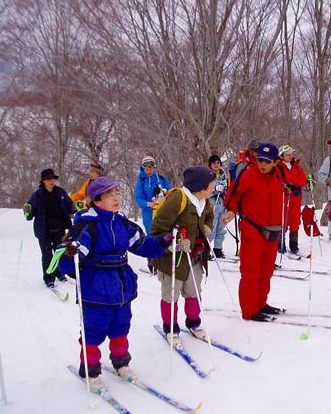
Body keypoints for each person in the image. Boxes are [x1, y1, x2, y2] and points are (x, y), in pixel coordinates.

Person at [58, 177, 170, 392]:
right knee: (94, 330)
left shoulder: (121, 223)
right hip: (96, 290)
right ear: (97, 200)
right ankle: (90, 370)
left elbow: (141, 244)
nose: (117, 198)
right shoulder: (86, 225)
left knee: (121, 327)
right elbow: (65, 262)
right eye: (110, 195)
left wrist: (162, 241)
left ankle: (121, 363)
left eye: (117, 193)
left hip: (122, 287)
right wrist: (68, 253)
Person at [150, 167, 215, 343]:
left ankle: (193, 322)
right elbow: (156, 230)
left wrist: (207, 227)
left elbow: (209, 215)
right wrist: (176, 242)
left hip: (194, 256)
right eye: (211, 184)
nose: (213, 187)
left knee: (194, 292)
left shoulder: (203, 201)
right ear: (201, 187)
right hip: (173, 259)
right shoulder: (177, 199)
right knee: (171, 294)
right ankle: (170, 327)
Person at [223, 143, 284, 321]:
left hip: (272, 230)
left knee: (266, 271)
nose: (262, 164)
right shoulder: (248, 174)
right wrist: (230, 210)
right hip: (252, 229)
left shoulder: (279, 174)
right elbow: (233, 195)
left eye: (267, 161)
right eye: (260, 160)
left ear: (275, 162)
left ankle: (261, 303)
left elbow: (299, 181)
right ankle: (249, 311)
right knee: (251, 271)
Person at [24, 168, 75, 288]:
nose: (51, 181)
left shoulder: (61, 192)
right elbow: (29, 214)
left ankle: (59, 273)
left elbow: (70, 207)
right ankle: (48, 277)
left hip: (60, 228)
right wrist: (27, 211)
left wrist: (78, 207)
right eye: (48, 179)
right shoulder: (37, 195)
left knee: (59, 253)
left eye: (52, 178)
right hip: (44, 229)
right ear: (43, 181)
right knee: (47, 254)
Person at [276, 144, 307, 255]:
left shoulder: (296, 166)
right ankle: (280, 243)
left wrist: (297, 186)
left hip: (295, 198)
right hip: (284, 198)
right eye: (287, 154)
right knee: (282, 221)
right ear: (281, 156)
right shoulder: (278, 167)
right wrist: (285, 186)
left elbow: (303, 179)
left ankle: (294, 244)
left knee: (294, 221)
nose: (290, 156)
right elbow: (277, 181)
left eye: (290, 154)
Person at [134, 156, 172, 235]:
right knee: (152, 235)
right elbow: (138, 198)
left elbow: (171, 191)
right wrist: (148, 204)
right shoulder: (141, 181)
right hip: (148, 213)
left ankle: (167, 247)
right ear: (143, 168)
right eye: (147, 169)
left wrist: (164, 193)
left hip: (163, 211)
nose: (149, 171)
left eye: (151, 168)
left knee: (166, 235)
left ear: (154, 167)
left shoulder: (162, 178)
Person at [208, 155, 228, 258]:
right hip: (212, 205)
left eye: (218, 163)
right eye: (214, 163)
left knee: (221, 228)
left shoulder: (223, 175)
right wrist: (214, 190)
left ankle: (218, 248)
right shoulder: (207, 175)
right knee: (211, 228)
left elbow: (227, 188)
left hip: (222, 204)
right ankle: (206, 249)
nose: (216, 165)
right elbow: (204, 191)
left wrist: (224, 190)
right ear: (210, 164)